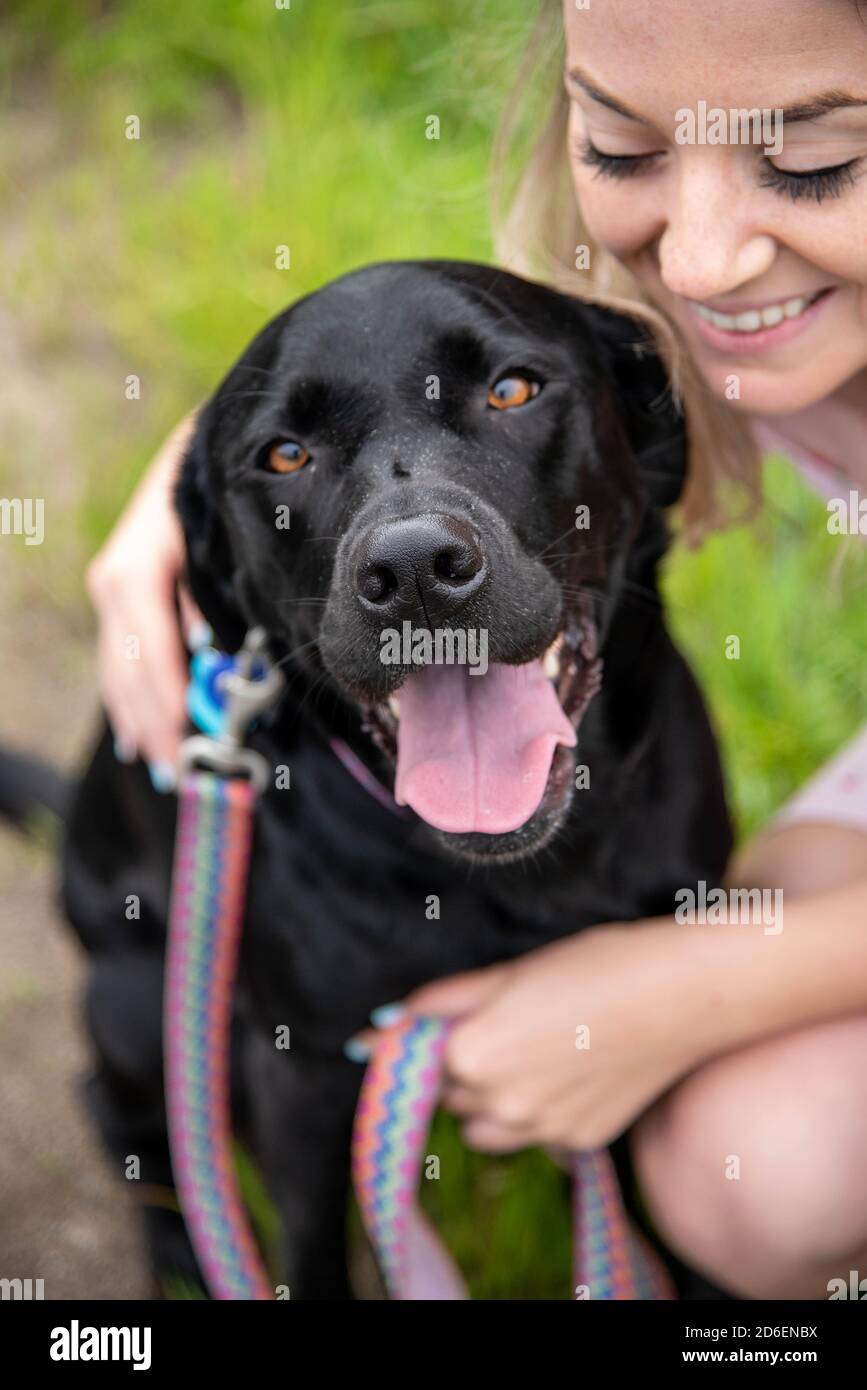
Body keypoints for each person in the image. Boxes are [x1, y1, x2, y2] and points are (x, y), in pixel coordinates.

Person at [86, 0, 867, 1298]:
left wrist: (682, 990)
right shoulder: (716, 329)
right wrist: (198, 473)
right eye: (621, 148)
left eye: (810, 161)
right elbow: (442, 346)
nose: (709, 261)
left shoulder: (701, 323)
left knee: (750, 1138)